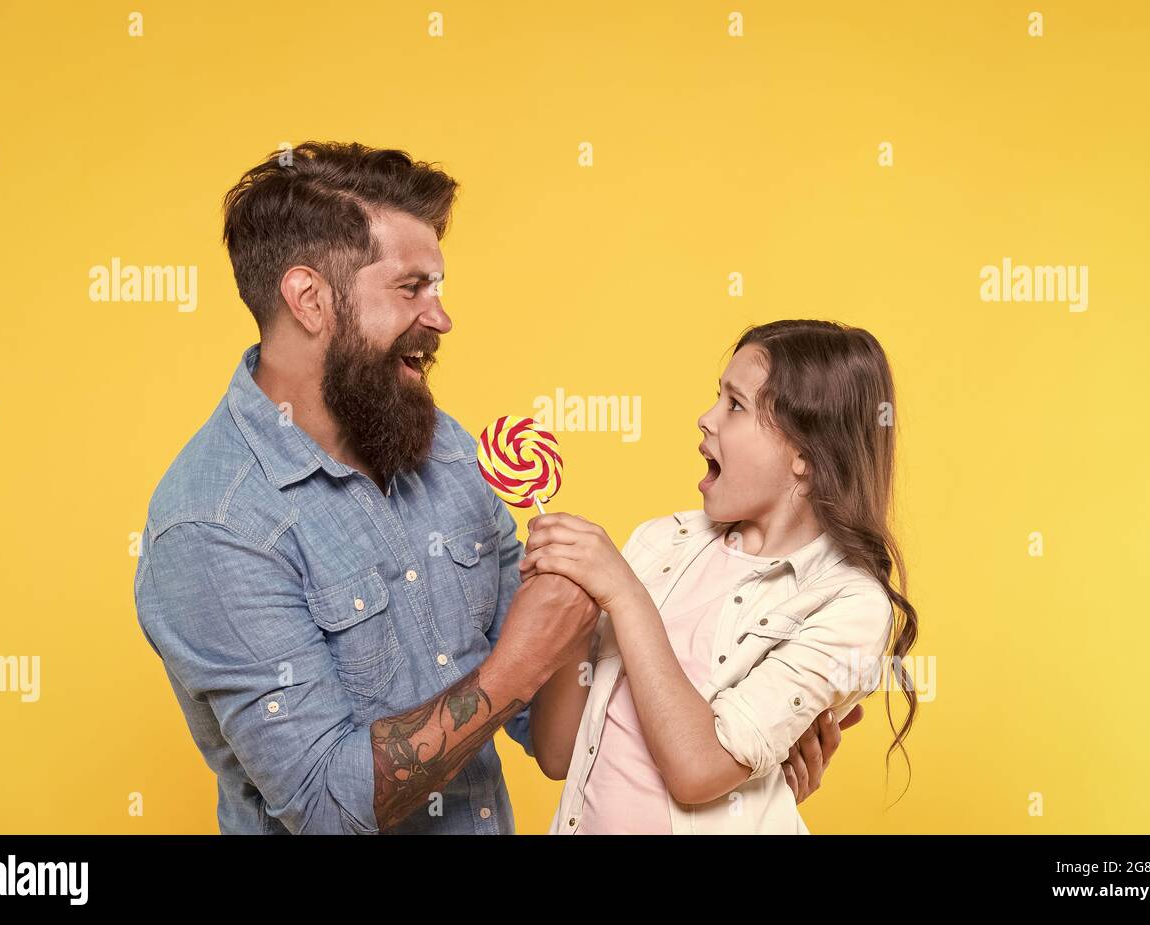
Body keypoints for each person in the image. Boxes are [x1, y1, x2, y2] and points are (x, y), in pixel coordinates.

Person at [133, 142, 855, 834]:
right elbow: (326, 806)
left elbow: (556, 735)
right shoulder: (214, 525)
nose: (441, 317)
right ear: (309, 299)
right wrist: (516, 666)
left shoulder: (443, 449)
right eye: (411, 288)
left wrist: (742, 757)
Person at [524, 320, 919, 833]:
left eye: (735, 405)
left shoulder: (848, 605)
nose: (705, 418)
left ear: (805, 453)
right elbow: (558, 754)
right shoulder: (659, 541)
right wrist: (570, 596)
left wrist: (622, 593)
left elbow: (698, 770)